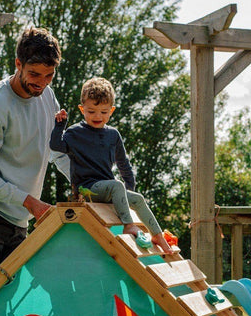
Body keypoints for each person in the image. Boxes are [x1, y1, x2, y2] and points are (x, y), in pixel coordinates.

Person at [0, 26, 70, 302]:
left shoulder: (47, 96)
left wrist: (85, 181)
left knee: (7, 310)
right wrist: (30, 202)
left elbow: (57, 151)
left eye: (48, 76)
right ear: (18, 64)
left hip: (17, 221)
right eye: (34, 74)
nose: (41, 83)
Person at [49, 77, 173, 254]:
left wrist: (126, 191)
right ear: (82, 109)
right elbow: (55, 146)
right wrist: (60, 126)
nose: (98, 117)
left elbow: (124, 164)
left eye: (103, 112)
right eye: (91, 111)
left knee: (137, 198)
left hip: (107, 188)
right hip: (86, 189)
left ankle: (157, 235)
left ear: (112, 111)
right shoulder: (75, 133)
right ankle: (128, 225)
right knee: (116, 185)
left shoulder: (113, 135)